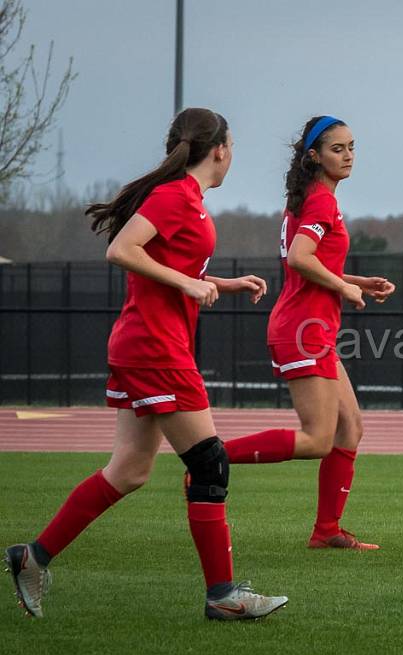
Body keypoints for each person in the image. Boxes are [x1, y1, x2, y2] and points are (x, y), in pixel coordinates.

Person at [3, 108, 288, 620]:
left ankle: (32, 557)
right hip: (155, 348)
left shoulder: (191, 201)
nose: (233, 156)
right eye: (233, 146)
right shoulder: (174, 195)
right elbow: (121, 249)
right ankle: (222, 597)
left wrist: (222, 283)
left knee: (130, 471)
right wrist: (187, 284)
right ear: (220, 148)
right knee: (209, 462)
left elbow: (171, 264)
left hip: (151, 343)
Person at [218, 115, 394, 551]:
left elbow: (313, 263)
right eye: (338, 149)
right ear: (314, 156)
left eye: (352, 146)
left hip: (312, 328)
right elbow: (299, 258)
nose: (349, 155)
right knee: (318, 439)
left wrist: (357, 280)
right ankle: (212, 458)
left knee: (349, 427)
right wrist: (343, 286)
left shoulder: (315, 199)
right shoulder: (319, 201)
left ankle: (327, 531)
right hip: (302, 329)